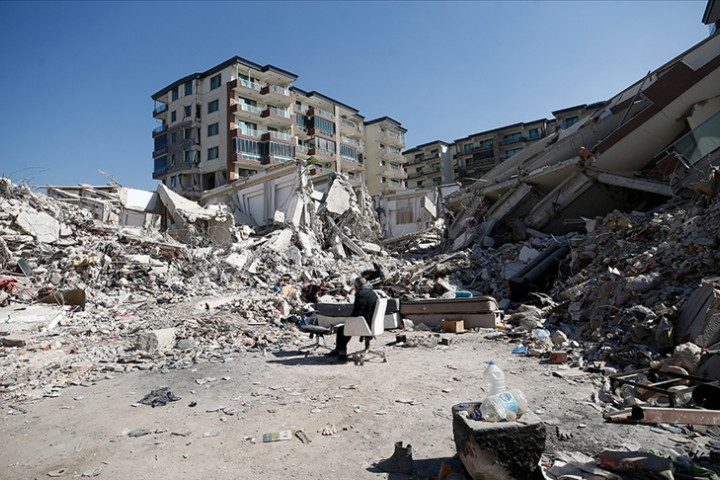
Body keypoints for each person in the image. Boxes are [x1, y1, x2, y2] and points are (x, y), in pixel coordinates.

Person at [326, 276, 378, 362]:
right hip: (371, 322)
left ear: (357, 286)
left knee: (341, 330)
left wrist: (349, 320)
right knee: (346, 328)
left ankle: (341, 353)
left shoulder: (360, 294)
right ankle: (338, 350)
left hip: (364, 323)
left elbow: (358, 312)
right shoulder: (372, 293)